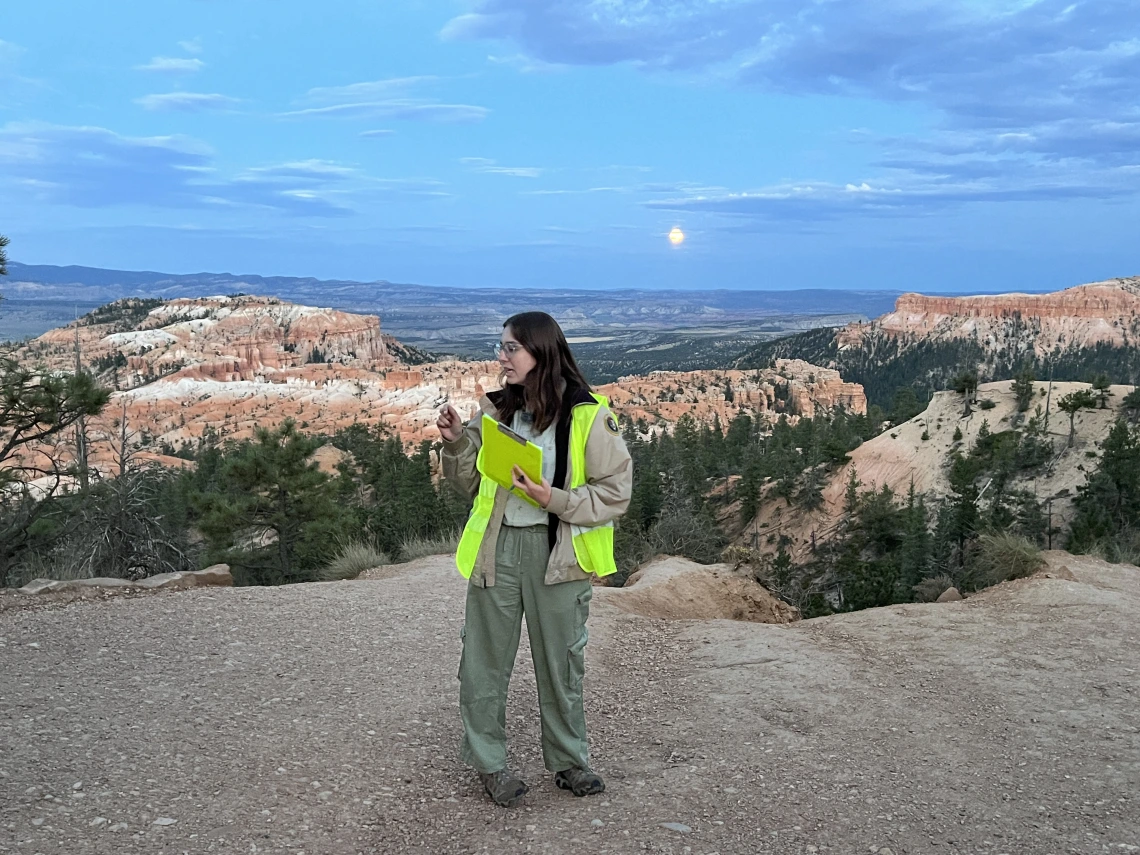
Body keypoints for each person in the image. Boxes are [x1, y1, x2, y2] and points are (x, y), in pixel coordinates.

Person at [437, 311, 632, 808]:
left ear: (539, 354)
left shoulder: (588, 414)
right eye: (501, 347)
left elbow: (615, 493)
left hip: (558, 556)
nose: (500, 358)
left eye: (510, 349)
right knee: (483, 664)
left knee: (561, 663)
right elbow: (470, 485)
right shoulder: (495, 410)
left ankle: (568, 761)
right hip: (497, 553)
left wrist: (555, 500)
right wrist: (458, 443)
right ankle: (489, 765)